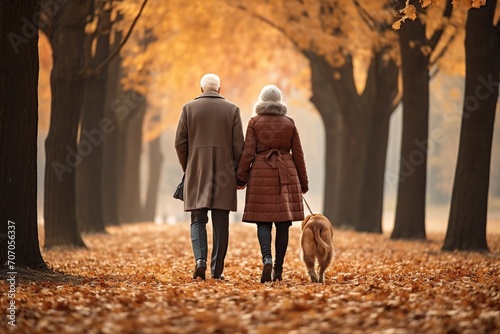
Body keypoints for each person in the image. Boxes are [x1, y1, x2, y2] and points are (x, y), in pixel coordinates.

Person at [175, 73, 244, 280]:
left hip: (197, 172)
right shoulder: (233, 110)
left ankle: (200, 261)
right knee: (221, 222)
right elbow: (239, 146)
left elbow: (179, 143)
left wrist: (188, 166)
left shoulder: (188, 109)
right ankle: (217, 270)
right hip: (224, 173)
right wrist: (239, 175)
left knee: (197, 220)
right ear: (219, 89)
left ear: (201, 89)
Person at [236, 85, 309, 283]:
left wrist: (240, 177)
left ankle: (266, 257)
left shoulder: (254, 122)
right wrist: (303, 182)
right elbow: (298, 154)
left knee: (263, 221)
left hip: (261, 172)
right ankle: (278, 268)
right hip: (286, 173)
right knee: (283, 224)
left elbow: (248, 152)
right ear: (279, 101)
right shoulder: (289, 123)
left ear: (262, 100)